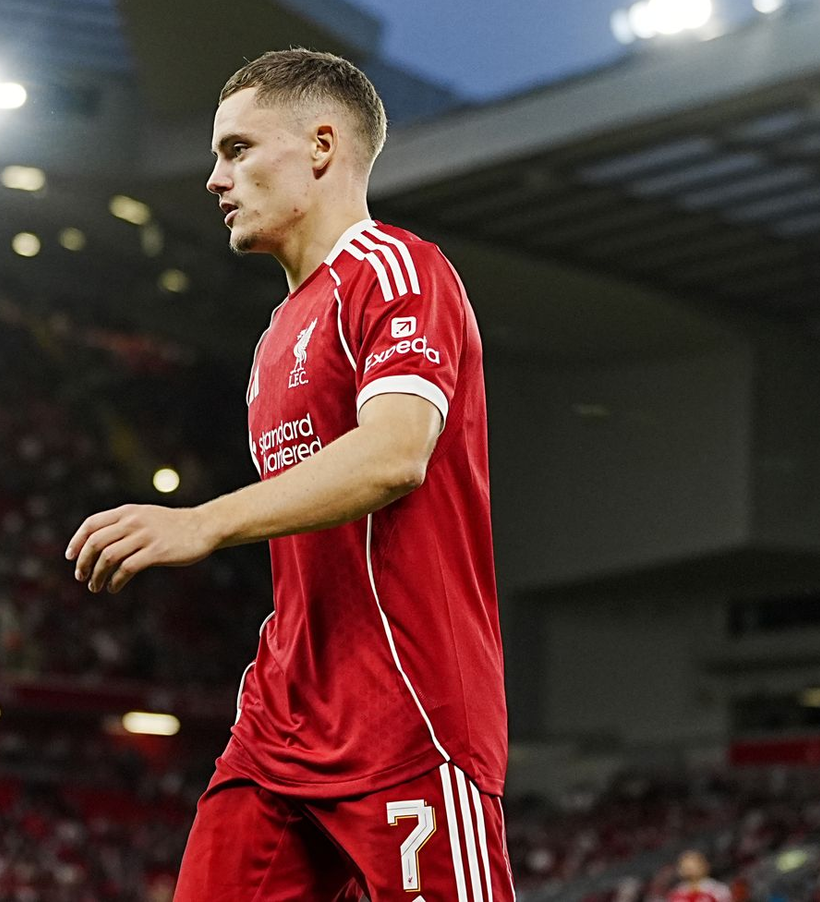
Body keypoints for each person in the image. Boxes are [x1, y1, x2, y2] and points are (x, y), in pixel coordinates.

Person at [66, 48, 512, 901]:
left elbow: (395, 453)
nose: (214, 178)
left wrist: (202, 520)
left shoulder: (399, 270)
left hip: (409, 713)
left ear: (321, 145)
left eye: (237, 149)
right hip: (281, 724)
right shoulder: (275, 338)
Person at [667, 850, 732, 902]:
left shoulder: (717, 890)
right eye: (685, 866)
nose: (688, 869)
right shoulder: (677, 892)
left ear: (704, 866)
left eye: (692, 866)